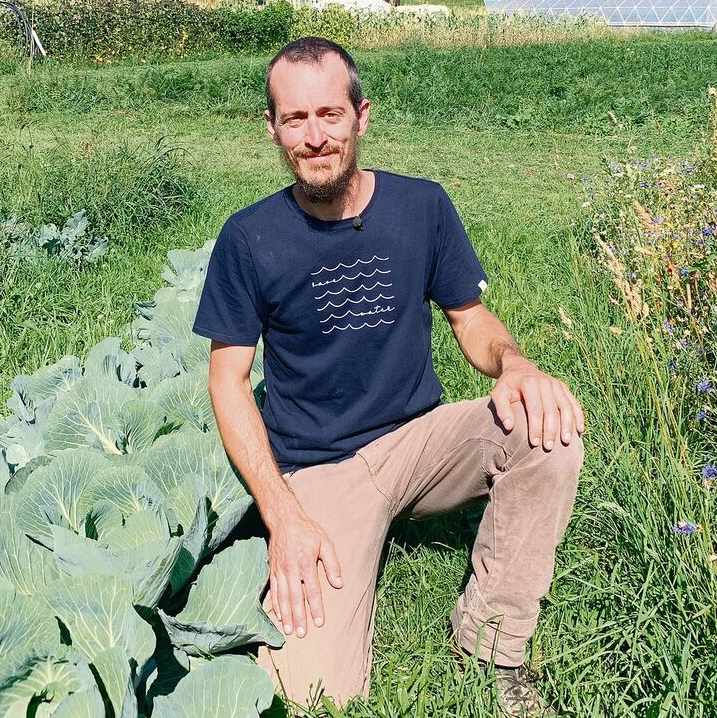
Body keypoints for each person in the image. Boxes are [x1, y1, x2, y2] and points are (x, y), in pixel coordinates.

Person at [194, 37, 585, 717]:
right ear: (272, 128)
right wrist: (282, 515)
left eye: (330, 114)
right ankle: (340, 552)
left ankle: (492, 644)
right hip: (320, 470)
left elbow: (470, 319)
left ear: (361, 115)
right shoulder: (249, 237)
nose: (315, 137)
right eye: (295, 119)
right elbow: (228, 381)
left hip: (419, 443)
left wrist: (516, 363)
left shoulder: (421, 207)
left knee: (547, 434)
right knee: (314, 694)